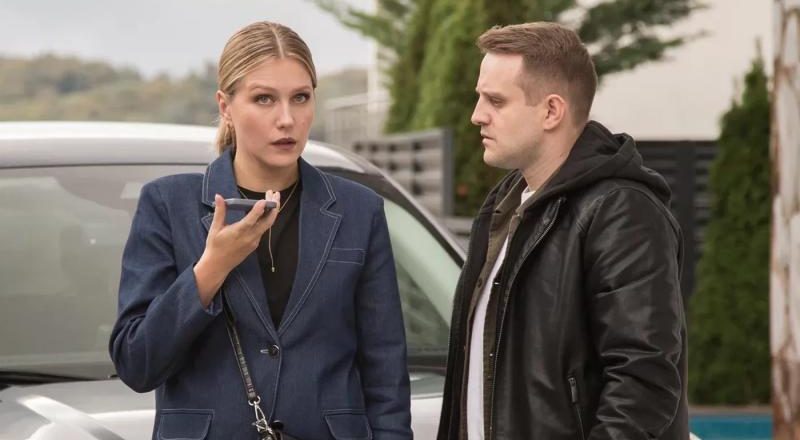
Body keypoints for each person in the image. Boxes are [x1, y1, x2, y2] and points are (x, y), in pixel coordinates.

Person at [110, 21, 412, 440]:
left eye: (300, 98)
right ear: (225, 106)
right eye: (264, 99)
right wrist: (211, 268)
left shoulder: (360, 210)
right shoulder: (167, 205)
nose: (287, 119)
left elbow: (386, 373)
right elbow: (137, 363)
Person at [437, 22, 688, 440]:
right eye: (479, 97)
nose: (476, 115)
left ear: (552, 111)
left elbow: (643, 382)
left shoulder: (621, 213)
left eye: (495, 100)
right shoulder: (505, 208)